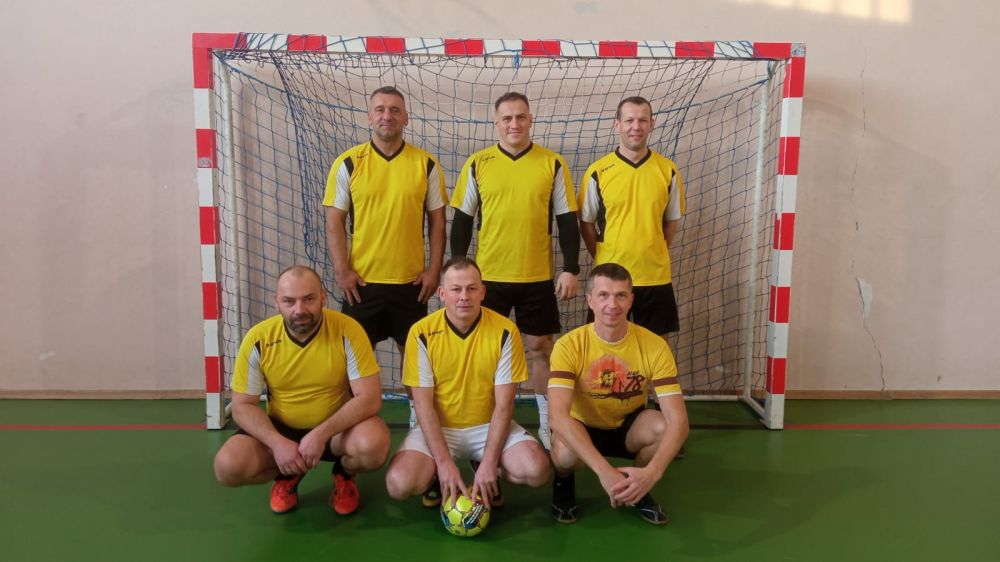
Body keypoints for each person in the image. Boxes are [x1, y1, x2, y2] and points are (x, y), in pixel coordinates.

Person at [450, 92, 580, 449]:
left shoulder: (552, 163)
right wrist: (456, 272)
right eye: (507, 118)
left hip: (536, 276)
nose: (514, 124)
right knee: (485, 351)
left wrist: (570, 268)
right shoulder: (478, 163)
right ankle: (484, 418)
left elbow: (567, 219)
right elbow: (462, 220)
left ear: (530, 120)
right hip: (487, 279)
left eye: (520, 117)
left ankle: (548, 420)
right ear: (496, 122)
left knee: (540, 348)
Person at [213, 266, 391, 515]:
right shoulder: (258, 339)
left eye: (309, 299)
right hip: (281, 430)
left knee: (374, 445)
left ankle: (344, 474)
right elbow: (242, 406)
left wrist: (320, 434)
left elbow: (370, 398)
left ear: (323, 298)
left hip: (335, 430)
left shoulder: (347, 330)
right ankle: (288, 473)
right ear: (276, 302)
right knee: (227, 467)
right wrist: (277, 443)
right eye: (289, 301)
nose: (299, 310)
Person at [323, 85, 448, 426]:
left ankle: (419, 422)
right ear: (369, 117)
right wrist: (342, 271)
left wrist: (434, 270)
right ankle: (352, 427)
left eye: (394, 110)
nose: (386, 116)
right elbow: (334, 221)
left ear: (406, 118)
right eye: (380, 109)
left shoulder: (425, 164)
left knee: (416, 363)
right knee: (354, 363)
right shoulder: (348, 163)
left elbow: (438, 222)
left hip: (411, 284)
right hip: (361, 285)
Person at [384, 257, 551, 509]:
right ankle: (435, 473)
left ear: (482, 292)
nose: (464, 296)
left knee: (536, 471)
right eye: (456, 289)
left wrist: (490, 462)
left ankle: (482, 464)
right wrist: (443, 464)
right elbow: (423, 406)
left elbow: (504, 405)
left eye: (472, 288)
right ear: (442, 294)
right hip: (440, 428)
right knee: (399, 485)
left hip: (487, 426)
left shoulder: (505, 331)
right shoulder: (421, 332)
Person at [547, 263, 689, 525]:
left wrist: (652, 473)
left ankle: (636, 484)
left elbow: (679, 421)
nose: (612, 304)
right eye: (603, 295)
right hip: (583, 427)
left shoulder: (654, 346)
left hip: (627, 426)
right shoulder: (569, 345)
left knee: (662, 427)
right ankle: (563, 483)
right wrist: (604, 472)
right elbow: (556, 416)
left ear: (631, 299)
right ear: (590, 300)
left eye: (620, 295)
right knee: (564, 453)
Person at [578, 96, 685, 339]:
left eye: (642, 120)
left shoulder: (668, 170)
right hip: (609, 280)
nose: (636, 126)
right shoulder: (597, 172)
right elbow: (586, 223)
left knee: (656, 350)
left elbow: (671, 221)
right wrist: (603, 255)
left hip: (654, 277)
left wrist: (653, 249)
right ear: (617, 125)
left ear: (651, 124)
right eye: (629, 120)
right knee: (604, 347)